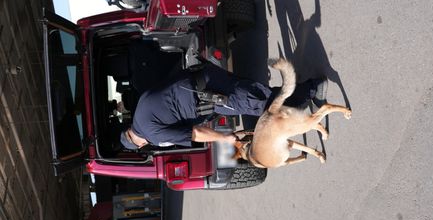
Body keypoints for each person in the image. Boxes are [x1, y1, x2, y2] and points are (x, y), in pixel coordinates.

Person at [120, 63, 325, 149]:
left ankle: (312, 88)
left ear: (139, 144)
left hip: (211, 98)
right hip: (205, 76)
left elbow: (195, 134)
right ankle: (304, 95)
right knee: (257, 95)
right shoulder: (141, 105)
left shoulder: (153, 135)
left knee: (262, 104)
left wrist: (224, 138)